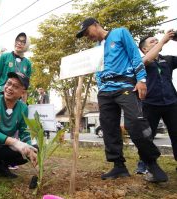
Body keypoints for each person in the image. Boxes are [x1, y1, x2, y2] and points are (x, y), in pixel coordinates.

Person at [76, 17, 167, 183]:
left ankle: (151, 163)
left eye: (86, 32)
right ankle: (119, 166)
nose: (87, 36)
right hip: (105, 92)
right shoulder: (96, 49)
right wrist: (100, 86)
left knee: (135, 122)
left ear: (95, 25)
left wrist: (141, 80)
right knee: (108, 127)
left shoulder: (120, 33)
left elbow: (134, 55)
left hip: (125, 86)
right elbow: (98, 70)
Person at [135, 30, 177, 173]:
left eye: (157, 40)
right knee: (147, 137)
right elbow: (146, 60)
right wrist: (163, 40)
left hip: (171, 103)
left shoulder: (168, 59)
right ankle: (144, 164)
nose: (156, 42)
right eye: (152, 41)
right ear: (144, 49)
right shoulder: (140, 62)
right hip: (150, 104)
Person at [0, 32, 32, 102]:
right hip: (0, 95)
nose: (19, 43)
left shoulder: (28, 63)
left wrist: (23, 104)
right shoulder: (5, 57)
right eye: (17, 40)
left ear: (27, 45)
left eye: (23, 42)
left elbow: (25, 87)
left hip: (16, 99)